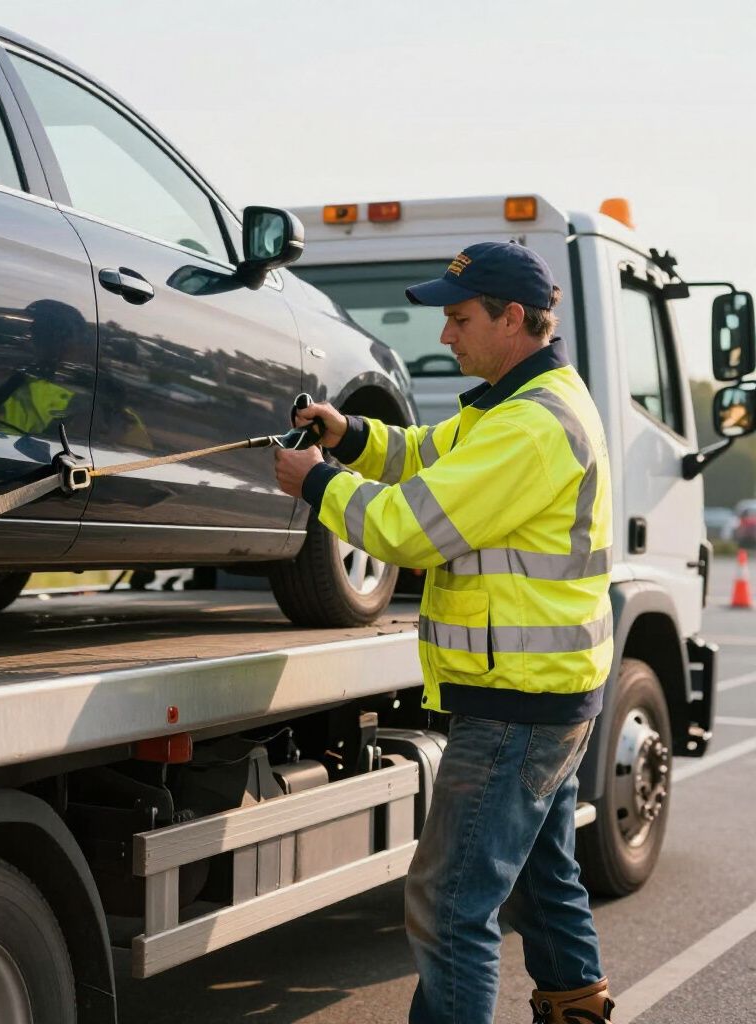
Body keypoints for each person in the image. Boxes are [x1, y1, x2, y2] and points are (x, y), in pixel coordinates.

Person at [273, 241, 616, 1024]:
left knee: (449, 904)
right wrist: (349, 436)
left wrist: (318, 482)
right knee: (541, 880)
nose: (446, 335)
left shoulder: (529, 425)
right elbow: (425, 458)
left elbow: (411, 529)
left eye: (460, 319)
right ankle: (578, 1011)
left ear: (516, 319)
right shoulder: (511, 406)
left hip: (514, 706)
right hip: (546, 697)